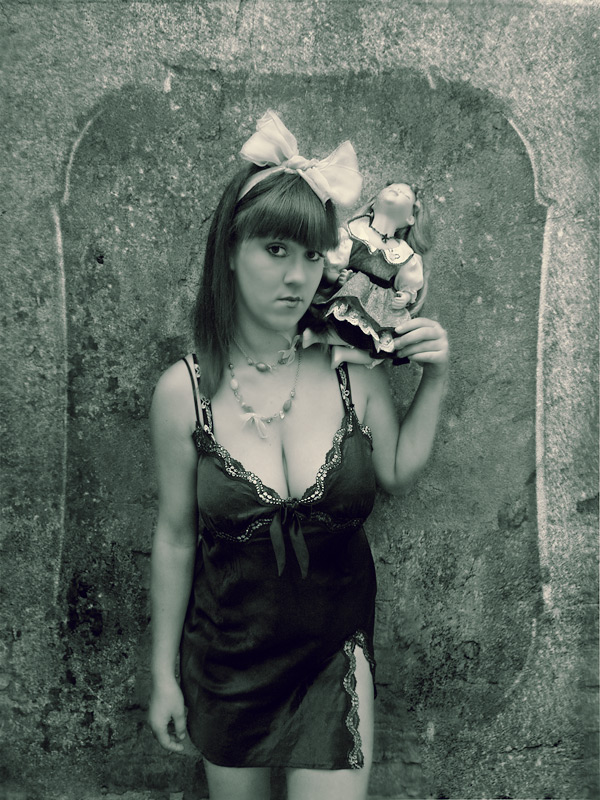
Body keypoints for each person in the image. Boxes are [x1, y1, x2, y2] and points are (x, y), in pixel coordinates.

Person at [148, 111, 449, 800]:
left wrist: (436, 379)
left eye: (313, 256)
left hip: (332, 660)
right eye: (276, 249)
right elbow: (174, 537)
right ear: (230, 250)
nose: (296, 276)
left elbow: (397, 471)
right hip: (225, 660)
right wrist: (163, 674)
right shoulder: (183, 393)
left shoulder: (352, 374)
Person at [309, 182, 432, 369]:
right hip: (350, 292)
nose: (397, 191)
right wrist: (338, 280)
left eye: (405, 196)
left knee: (385, 345)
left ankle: (344, 353)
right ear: (374, 202)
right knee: (337, 320)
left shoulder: (404, 254)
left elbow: (408, 284)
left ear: (410, 219)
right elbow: (331, 267)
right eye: (391, 188)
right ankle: (319, 337)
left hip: (380, 305)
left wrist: (406, 296)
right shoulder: (353, 232)